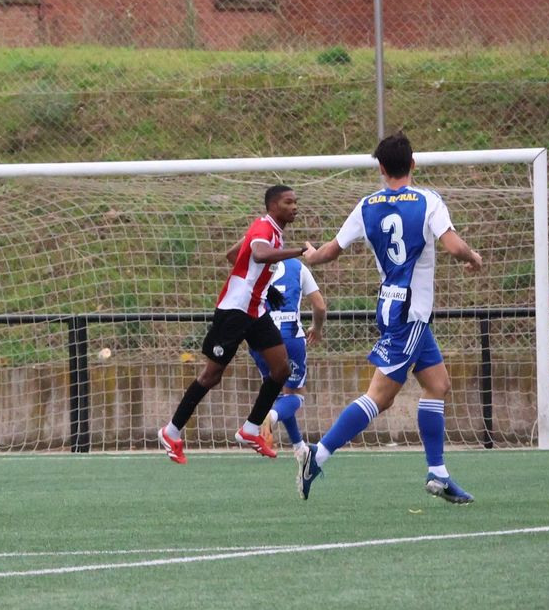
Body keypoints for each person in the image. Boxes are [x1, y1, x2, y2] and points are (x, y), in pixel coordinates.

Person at [295, 132, 483, 503]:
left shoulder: (366, 205)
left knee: (438, 384)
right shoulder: (428, 200)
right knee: (380, 397)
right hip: (410, 312)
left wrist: (311, 255)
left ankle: (438, 474)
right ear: (413, 163)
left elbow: (331, 251)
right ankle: (316, 456)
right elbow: (453, 245)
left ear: (381, 168)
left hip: (394, 307)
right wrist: (472, 257)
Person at [158, 185, 305, 464]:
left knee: (281, 369)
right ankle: (171, 431)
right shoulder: (265, 229)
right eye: (289, 202)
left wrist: (263, 287)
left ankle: (250, 429)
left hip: (254, 309)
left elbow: (234, 255)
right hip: (234, 311)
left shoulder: (268, 228)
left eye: (296, 202)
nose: (295, 207)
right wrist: (300, 251)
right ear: (274, 206)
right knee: (211, 376)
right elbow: (260, 254)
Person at [253, 255, 327, 468]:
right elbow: (320, 307)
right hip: (289, 337)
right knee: (295, 395)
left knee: (279, 393)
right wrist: (317, 328)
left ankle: (299, 446)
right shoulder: (297, 267)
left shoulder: (255, 264)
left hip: (260, 337)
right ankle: (271, 416)